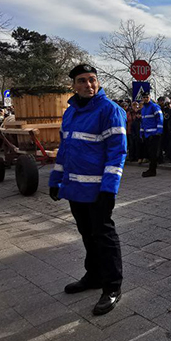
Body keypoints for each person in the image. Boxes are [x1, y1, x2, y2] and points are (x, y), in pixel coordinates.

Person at [48, 64, 127, 316]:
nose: (88, 85)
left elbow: (117, 153)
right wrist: (55, 179)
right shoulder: (70, 112)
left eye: (92, 80)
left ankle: (112, 287)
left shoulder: (110, 110)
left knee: (104, 237)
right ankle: (93, 276)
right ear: (73, 85)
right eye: (82, 81)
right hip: (75, 189)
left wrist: (109, 190)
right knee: (86, 234)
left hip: (98, 191)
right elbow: (65, 149)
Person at [140, 91, 164, 177]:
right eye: (144, 97)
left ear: (149, 97)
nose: (146, 99)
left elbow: (160, 119)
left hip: (154, 134)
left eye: (147, 97)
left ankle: (152, 170)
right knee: (150, 153)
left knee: (154, 153)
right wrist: (141, 132)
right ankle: (151, 169)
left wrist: (159, 131)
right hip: (147, 134)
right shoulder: (143, 109)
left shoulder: (154, 106)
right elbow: (143, 122)